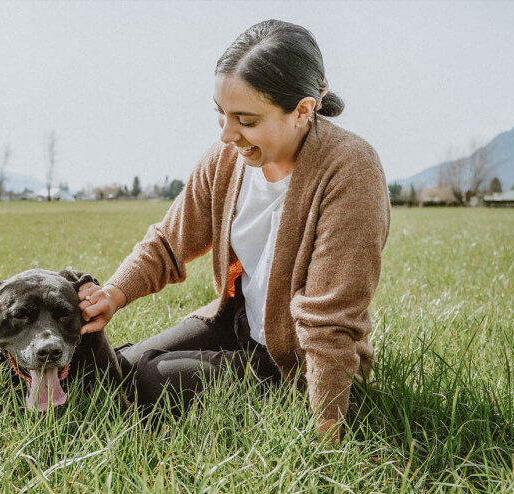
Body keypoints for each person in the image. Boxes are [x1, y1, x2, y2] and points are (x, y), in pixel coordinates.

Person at [77, 19, 390, 441]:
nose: (227, 135)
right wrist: (113, 295)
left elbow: (329, 318)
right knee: (118, 364)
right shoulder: (226, 161)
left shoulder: (350, 170)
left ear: (302, 110)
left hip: (293, 361)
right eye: (221, 114)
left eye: (245, 119)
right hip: (235, 326)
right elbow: (169, 241)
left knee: (148, 380)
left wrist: (327, 429)